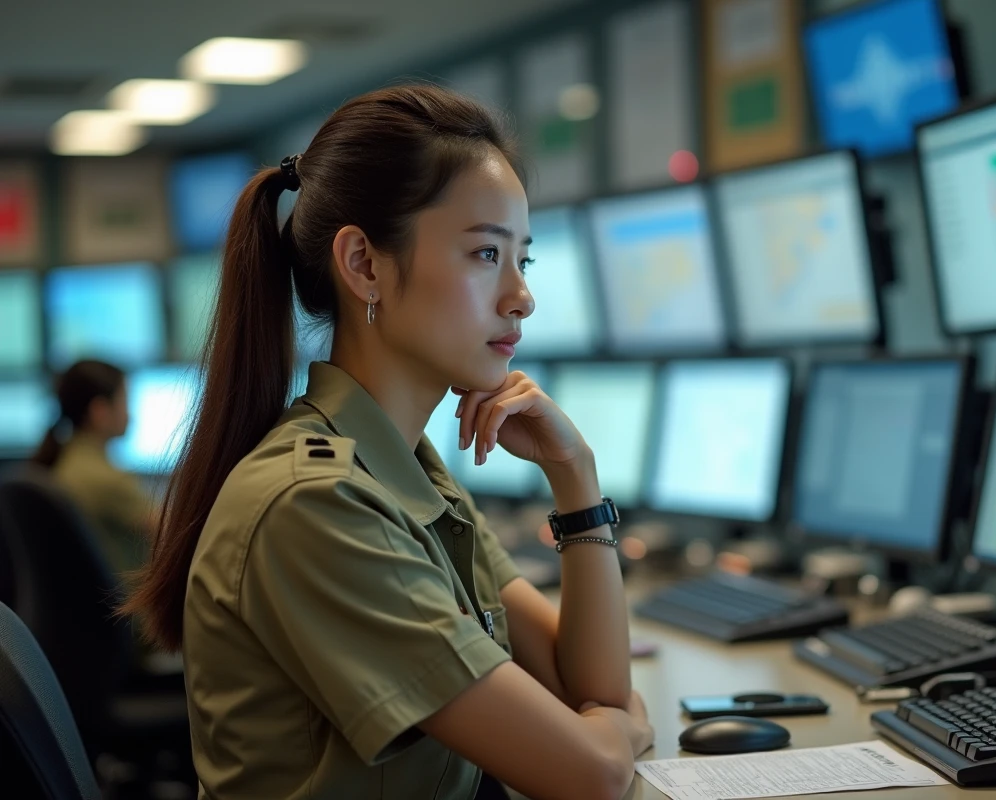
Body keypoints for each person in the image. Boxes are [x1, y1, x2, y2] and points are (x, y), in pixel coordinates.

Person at [123, 84, 654, 800]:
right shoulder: (316, 504)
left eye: (521, 261)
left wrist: (575, 476)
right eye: (484, 255)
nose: (521, 296)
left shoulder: (405, 469)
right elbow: (590, 770)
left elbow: (586, 684)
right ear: (365, 265)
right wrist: (616, 728)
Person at [33, 359, 153, 579]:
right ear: (100, 411)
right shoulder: (106, 479)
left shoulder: (64, 462)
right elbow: (174, 533)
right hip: (126, 606)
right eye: (125, 402)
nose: (130, 416)